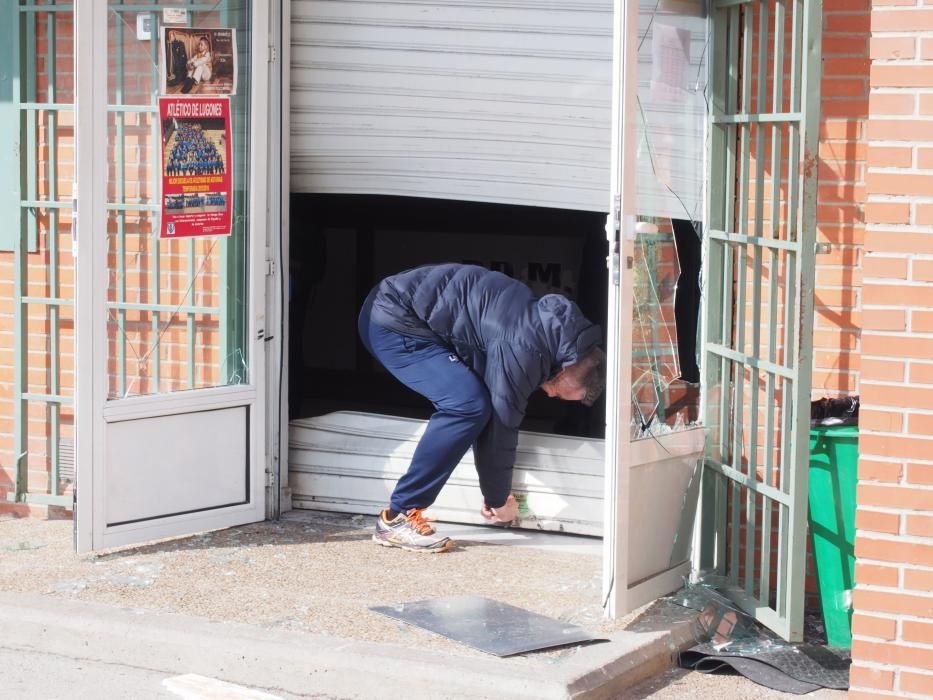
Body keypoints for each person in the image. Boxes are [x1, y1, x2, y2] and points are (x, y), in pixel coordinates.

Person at [358, 263, 606, 553]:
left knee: (474, 399)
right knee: (467, 405)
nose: (553, 398)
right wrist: (498, 500)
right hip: (392, 321)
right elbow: (500, 426)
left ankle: (403, 511)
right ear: (565, 371)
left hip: (400, 307)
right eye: (564, 396)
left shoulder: (553, 330)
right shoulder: (525, 348)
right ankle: (398, 517)